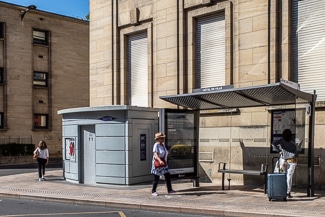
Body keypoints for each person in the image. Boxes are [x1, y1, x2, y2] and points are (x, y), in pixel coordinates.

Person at [272, 129, 297, 198]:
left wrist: (279, 151)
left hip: (283, 161)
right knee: (289, 176)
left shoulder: (281, 141)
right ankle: (288, 192)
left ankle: (280, 190)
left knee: (280, 174)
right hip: (292, 161)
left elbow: (273, 144)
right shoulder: (293, 143)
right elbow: (296, 153)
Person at [150, 132, 176, 196]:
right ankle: (153, 191)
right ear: (158, 139)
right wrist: (159, 160)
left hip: (163, 163)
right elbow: (155, 154)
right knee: (156, 177)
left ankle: (169, 189)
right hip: (157, 163)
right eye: (161, 138)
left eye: (163, 138)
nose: (163, 139)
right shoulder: (156, 145)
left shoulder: (163, 145)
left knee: (167, 175)